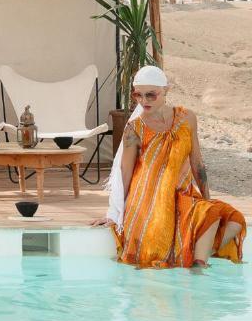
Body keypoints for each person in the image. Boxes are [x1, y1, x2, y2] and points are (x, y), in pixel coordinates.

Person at [92, 65, 245, 268]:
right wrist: (116, 212)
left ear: (166, 91)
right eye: (138, 95)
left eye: (150, 95)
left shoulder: (187, 118)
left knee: (233, 220)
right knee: (210, 219)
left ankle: (191, 259)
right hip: (149, 199)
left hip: (183, 193)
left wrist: (208, 200)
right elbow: (124, 173)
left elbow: (197, 162)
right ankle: (198, 267)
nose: (143, 101)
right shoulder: (134, 129)